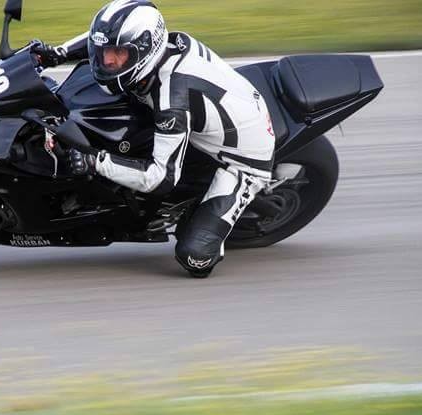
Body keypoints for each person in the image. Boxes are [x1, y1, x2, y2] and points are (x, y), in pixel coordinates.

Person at [35, 0, 290, 278]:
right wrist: (58, 53)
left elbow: (159, 179)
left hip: (243, 160)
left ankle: (205, 210)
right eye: (104, 52)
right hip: (221, 112)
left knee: (194, 258)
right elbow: (103, 40)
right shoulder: (159, 47)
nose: (107, 61)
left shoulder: (171, 102)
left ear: (146, 49)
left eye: (118, 53)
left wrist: (95, 161)